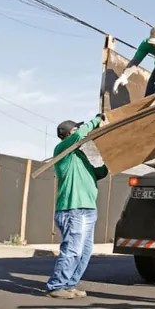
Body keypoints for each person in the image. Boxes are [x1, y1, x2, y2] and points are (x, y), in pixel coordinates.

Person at [46, 113, 109, 299]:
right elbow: (80, 134)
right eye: (75, 130)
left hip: (88, 209)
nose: (81, 132)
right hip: (73, 209)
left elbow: (96, 174)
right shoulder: (62, 150)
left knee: (85, 251)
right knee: (73, 249)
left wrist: (109, 162)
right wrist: (97, 120)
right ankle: (56, 286)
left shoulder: (79, 155)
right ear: (69, 134)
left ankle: (69, 285)